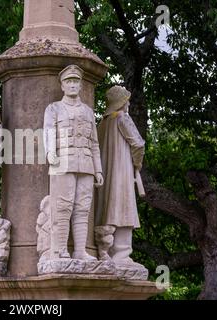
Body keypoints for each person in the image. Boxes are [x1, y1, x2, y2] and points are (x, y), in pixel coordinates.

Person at [43, 65, 104, 261]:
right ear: (62, 85)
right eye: (68, 81)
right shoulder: (54, 108)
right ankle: (60, 250)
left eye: (75, 81)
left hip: (86, 165)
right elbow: (49, 132)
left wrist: (98, 170)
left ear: (80, 85)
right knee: (63, 206)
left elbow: (94, 142)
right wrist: (51, 152)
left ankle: (80, 251)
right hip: (63, 162)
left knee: (82, 208)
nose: (72, 85)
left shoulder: (88, 112)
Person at [95, 85, 145, 265]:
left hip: (105, 172)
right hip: (122, 170)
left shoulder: (103, 123)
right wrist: (137, 164)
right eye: (126, 100)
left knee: (108, 207)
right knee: (123, 207)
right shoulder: (122, 117)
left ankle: (105, 249)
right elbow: (138, 144)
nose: (129, 103)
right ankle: (122, 254)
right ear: (122, 103)